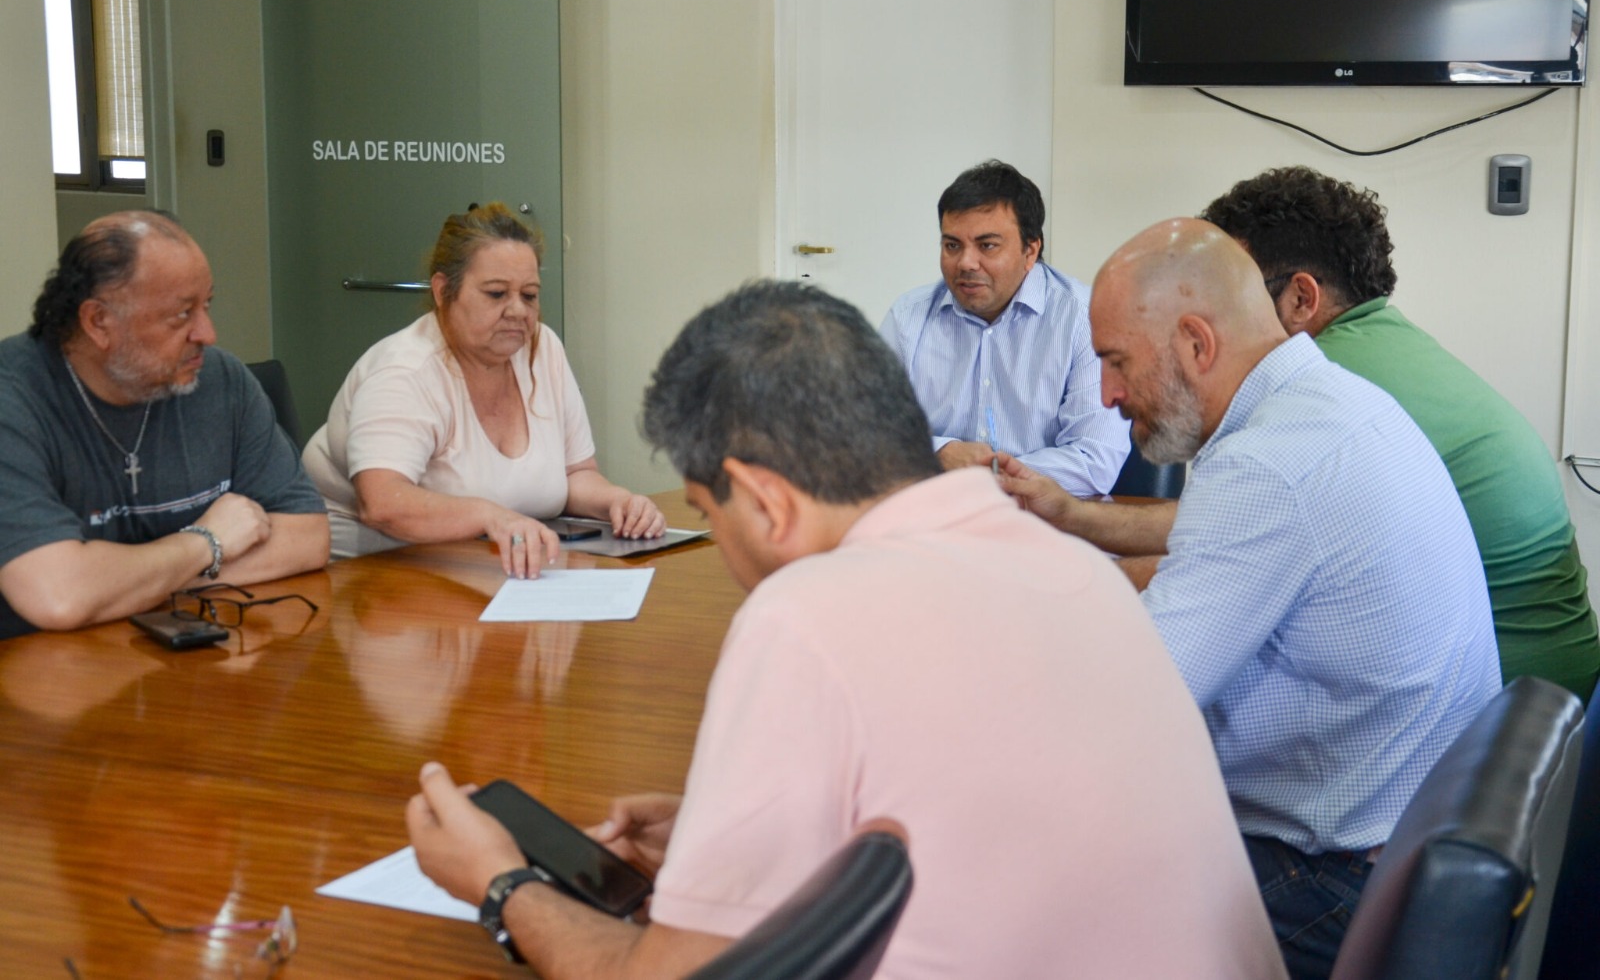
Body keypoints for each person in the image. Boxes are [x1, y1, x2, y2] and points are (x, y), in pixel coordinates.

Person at [405, 281, 1286, 979]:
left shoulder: (805, 617)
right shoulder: (1072, 565)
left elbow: (664, 975)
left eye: (710, 513)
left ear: (765, 501)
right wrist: (736, 838)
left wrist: (500, 881)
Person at [1001, 219, 1501, 980]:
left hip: (1341, 883)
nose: (1107, 394)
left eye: (1115, 361)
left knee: (1018, 880)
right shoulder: (1334, 403)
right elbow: (1199, 572)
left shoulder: (1268, 464)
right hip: (1412, 837)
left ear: (1196, 344)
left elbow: (1122, 710)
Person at [1201, 166, 1600, 702]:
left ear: (1300, 299)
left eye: (1227, 294)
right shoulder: (1389, 346)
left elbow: (1225, 552)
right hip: (1552, 699)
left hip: (1501, 714)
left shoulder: (1320, 385)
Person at [0, 212, 330, 640]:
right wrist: (206, 541)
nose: (207, 333)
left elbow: (306, 537)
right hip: (37, 668)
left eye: (207, 305)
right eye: (181, 314)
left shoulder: (222, 380)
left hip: (188, 656)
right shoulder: (14, 400)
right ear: (98, 322)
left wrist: (126, 584)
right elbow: (58, 595)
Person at [302, 203, 664, 576]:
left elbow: (575, 475)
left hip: (484, 568)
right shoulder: (405, 371)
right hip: (368, 574)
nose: (518, 311)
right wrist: (492, 517)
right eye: (496, 294)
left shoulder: (543, 349)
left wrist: (619, 503)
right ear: (443, 291)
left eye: (529, 295)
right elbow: (382, 504)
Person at [879, 159, 1130, 495]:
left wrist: (987, 475)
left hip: (1045, 516)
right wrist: (939, 453)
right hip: (935, 512)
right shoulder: (908, 318)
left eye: (987, 246)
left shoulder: (1085, 318)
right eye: (952, 245)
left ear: (1030, 250)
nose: (966, 263)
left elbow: (1093, 462)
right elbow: (863, 432)